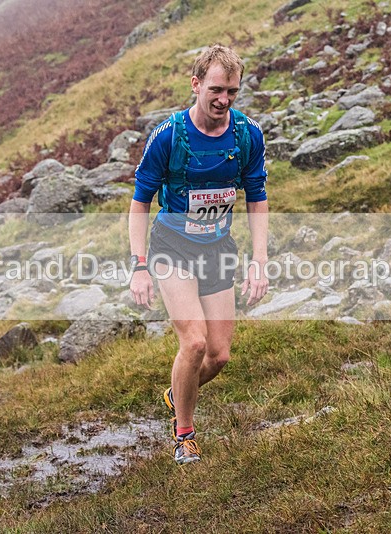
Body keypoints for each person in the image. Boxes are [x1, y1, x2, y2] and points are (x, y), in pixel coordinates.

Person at [128, 44, 269, 465]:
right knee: (194, 343)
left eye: (232, 91)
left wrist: (258, 261)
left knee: (219, 355)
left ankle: (177, 393)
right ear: (196, 85)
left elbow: (257, 198)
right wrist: (138, 265)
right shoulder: (169, 136)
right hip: (172, 247)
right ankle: (184, 434)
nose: (223, 99)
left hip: (217, 249)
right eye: (216, 89)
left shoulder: (247, 135)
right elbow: (140, 202)